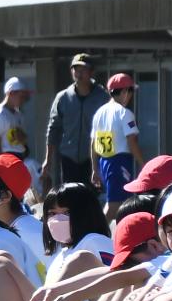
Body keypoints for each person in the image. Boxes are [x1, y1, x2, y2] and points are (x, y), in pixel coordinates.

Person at [42, 54, 107, 192]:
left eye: (83, 70)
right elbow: (53, 129)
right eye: (76, 69)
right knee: (69, 198)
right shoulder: (63, 97)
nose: (79, 73)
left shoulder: (103, 97)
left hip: (94, 160)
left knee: (91, 199)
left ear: (91, 72)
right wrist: (48, 159)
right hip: (68, 159)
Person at [90, 73, 145, 217]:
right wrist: (142, 164)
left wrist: (95, 169)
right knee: (114, 204)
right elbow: (132, 141)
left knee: (122, 203)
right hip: (119, 161)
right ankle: (99, 232)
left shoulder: (99, 113)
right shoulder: (125, 113)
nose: (131, 95)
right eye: (131, 91)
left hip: (104, 161)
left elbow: (93, 143)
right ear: (125, 91)